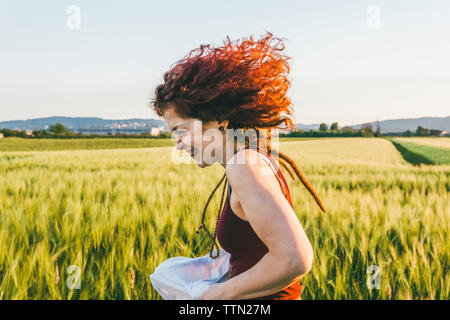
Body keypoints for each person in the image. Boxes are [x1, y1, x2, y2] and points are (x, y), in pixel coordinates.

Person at [151, 31, 326, 300]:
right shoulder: (249, 159)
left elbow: (295, 259)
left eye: (181, 130)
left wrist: (214, 295)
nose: (178, 143)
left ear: (217, 120)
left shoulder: (245, 164)